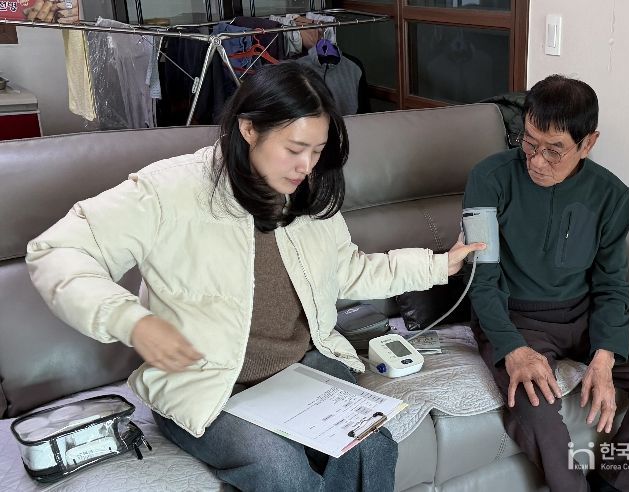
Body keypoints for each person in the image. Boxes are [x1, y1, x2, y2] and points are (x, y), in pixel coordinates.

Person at [26, 63, 484, 492]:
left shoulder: (306, 192)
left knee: (371, 445)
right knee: (279, 467)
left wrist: (437, 265)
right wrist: (132, 322)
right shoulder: (168, 190)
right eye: (294, 149)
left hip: (300, 370)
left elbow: (348, 270)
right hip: (207, 386)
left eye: (317, 152)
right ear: (249, 129)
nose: (306, 166)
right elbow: (58, 252)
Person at [464, 75, 629, 492]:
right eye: (529, 142)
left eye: (554, 150)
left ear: (588, 143)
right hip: (516, 319)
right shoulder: (489, 179)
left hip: (585, 315)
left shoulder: (611, 195)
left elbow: (611, 285)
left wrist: (605, 356)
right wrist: (513, 349)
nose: (537, 161)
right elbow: (482, 281)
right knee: (538, 412)